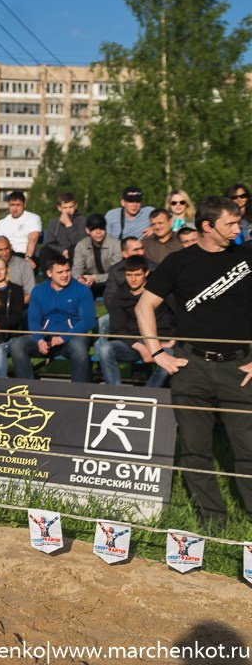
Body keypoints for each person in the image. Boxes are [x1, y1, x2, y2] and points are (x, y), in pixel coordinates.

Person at [136, 195, 252, 526]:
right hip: (192, 367)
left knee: (248, 449)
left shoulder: (248, 256)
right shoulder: (178, 262)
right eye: (230, 223)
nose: (237, 228)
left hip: (240, 367)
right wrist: (158, 353)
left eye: (238, 221)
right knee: (195, 449)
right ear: (207, 226)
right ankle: (215, 523)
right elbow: (144, 307)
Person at [9, 253, 96, 383]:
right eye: (60, 272)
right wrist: (39, 340)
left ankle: (79, 394)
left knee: (80, 348)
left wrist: (63, 338)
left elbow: (88, 321)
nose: (65, 275)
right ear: (49, 273)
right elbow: (33, 320)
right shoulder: (38, 291)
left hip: (72, 337)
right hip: (46, 336)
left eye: (67, 271)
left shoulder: (82, 290)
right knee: (17, 345)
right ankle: (26, 390)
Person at [98, 255, 173, 388]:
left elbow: (179, 315)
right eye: (129, 274)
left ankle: (148, 393)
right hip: (133, 343)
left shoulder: (161, 291)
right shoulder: (119, 297)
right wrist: (140, 346)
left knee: (170, 357)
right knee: (105, 350)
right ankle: (114, 393)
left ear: (146, 273)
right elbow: (118, 328)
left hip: (161, 341)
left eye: (137, 274)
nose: (133, 279)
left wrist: (173, 341)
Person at [71, 214, 121, 298]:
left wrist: (94, 278)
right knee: (76, 290)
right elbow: (77, 269)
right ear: (87, 230)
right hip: (89, 282)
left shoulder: (116, 244)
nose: (98, 232)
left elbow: (117, 273)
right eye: (94, 229)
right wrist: (81, 279)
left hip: (111, 282)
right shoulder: (81, 245)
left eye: (101, 228)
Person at [0, 190, 42, 270]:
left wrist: (28, 257)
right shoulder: (2, 223)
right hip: (6, 255)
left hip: (25, 255)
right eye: (12, 205)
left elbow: (33, 239)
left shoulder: (33, 218)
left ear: (24, 204)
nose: (15, 208)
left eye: (18, 205)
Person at [43, 192, 87, 268]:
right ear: (59, 208)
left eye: (71, 207)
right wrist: (62, 250)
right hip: (59, 252)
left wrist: (68, 225)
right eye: (65, 208)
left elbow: (80, 243)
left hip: (74, 253)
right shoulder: (54, 222)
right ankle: (49, 278)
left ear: (75, 206)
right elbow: (49, 243)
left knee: (72, 251)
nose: (68, 210)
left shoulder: (81, 220)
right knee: (44, 252)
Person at [0, 235, 35, 303]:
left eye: (6, 249)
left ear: (11, 248)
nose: (4, 253)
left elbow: (31, 293)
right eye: (0, 250)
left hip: (19, 307)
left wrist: (14, 306)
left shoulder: (24, 265)